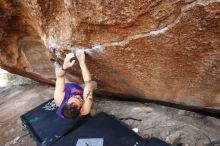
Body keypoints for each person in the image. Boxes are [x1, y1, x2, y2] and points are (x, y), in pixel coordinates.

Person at [53, 49, 93, 119]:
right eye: (80, 100)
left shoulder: (59, 98)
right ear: (81, 109)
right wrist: (82, 62)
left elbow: (60, 77)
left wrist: (64, 66)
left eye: (74, 97)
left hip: (68, 86)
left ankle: (56, 65)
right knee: (94, 84)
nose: (77, 96)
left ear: (66, 102)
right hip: (80, 89)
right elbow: (88, 85)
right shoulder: (85, 110)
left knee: (58, 71)